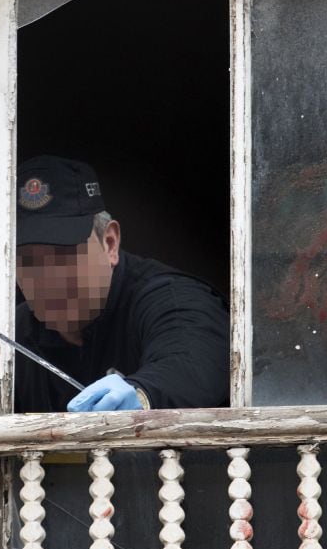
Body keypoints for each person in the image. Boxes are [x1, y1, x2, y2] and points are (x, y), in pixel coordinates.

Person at [14, 155, 230, 413]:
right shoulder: (13, 334)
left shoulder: (170, 299)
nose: (48, 278)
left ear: (110, 243)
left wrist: (142, 394)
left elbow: (196, 358)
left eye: (64, 255)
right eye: (28, 261)